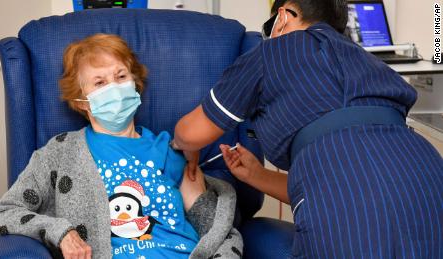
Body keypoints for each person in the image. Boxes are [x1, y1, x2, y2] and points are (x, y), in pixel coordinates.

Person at [173, 0, 443, 258]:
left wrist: (186, 148)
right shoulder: (370, 62)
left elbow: (190, 134)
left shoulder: (271, 53)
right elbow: (359, 173)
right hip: (429, 183)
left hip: (351, 211)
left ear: (283, 16)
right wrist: (257, 175)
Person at [0, 34, 243, 259]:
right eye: (99, 83)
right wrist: (61, 232)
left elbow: (216, 228)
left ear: (135, 83)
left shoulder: (169, 150)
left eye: (121, 76)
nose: (114, 88)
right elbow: (3, 212)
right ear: (82, 102)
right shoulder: (60, 152)